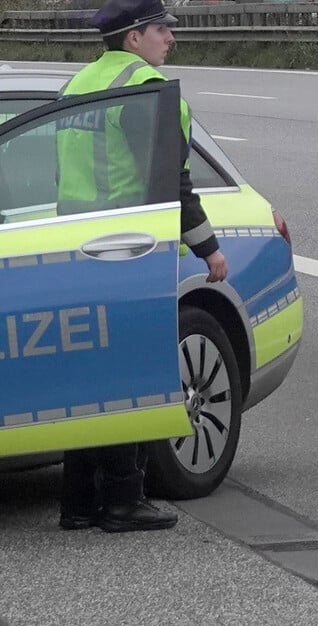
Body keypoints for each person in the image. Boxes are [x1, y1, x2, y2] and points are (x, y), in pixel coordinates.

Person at [56, 0, 228, 532]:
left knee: (88, 374)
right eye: (161, 31)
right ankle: (124, 499)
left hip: (71, 246)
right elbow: (172, 183)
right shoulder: (145, 89)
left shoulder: (78, 85)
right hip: (125, 250)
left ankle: (79, 502)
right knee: (127, 374)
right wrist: (209, 250)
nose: (169, 41)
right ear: (134, 38)